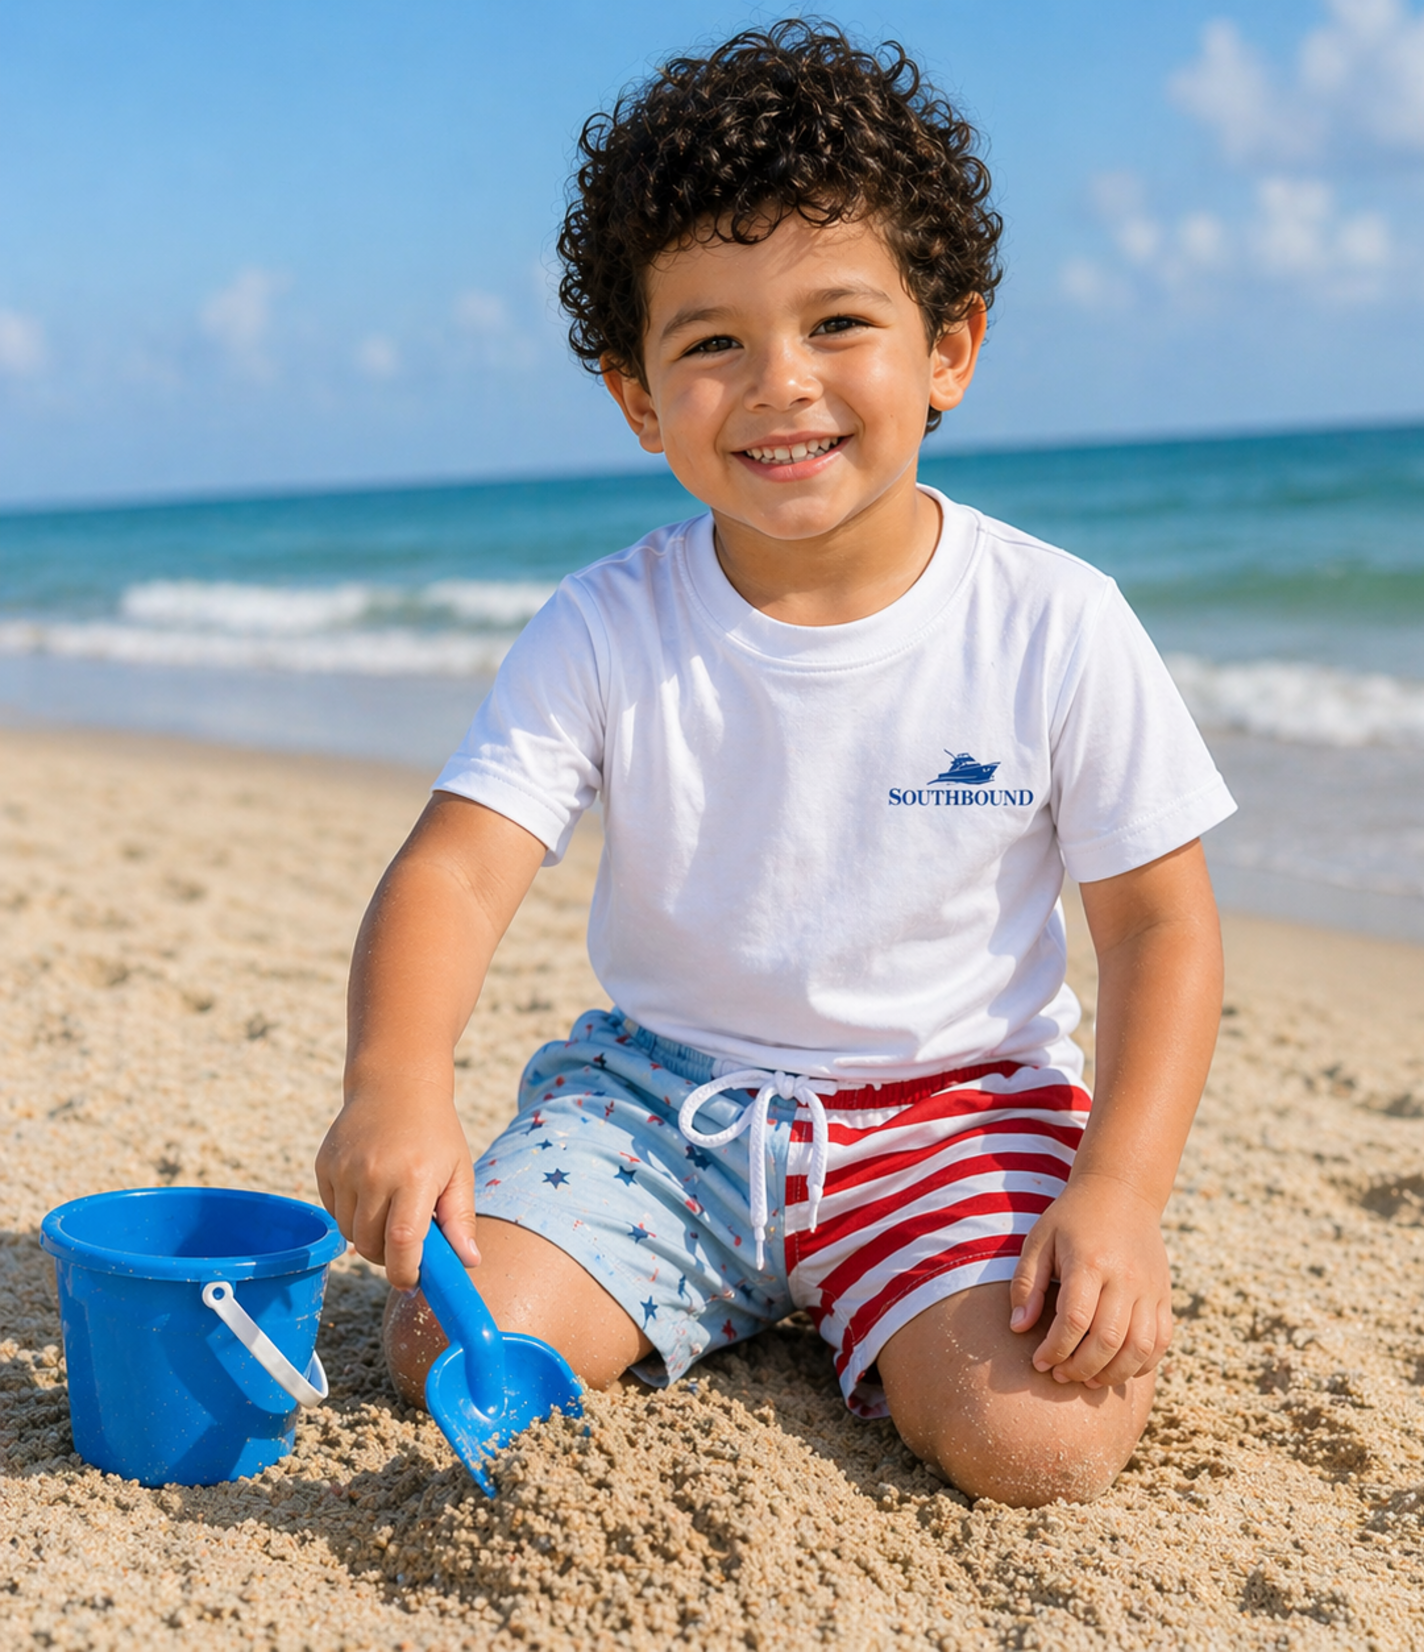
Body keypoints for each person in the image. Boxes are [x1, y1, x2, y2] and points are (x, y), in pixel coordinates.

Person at [315, 19, 1234, 1508]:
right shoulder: (607, 624)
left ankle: (879, 1298)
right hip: (662, 1111)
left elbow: (1159, 929)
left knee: (1039, 1441)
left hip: (955, 1111)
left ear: (950, 351)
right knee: (435, 1342)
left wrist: (1117, 1196)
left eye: (839, 325)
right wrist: (399, 1079)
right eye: (712, 342)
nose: (779, 383)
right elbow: (458, 867)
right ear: (636, 395)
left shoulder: (1052, 621)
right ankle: (748, 1291)